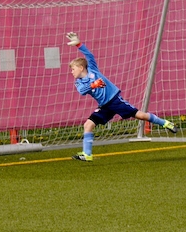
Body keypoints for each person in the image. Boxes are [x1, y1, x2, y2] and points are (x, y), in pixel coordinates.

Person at [66, 32, 175, 162]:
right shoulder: (78, 82)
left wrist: (79, 44)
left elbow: (89, 56)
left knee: (140, 115)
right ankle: (87, 154)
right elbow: (82, 91)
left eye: (73, 69)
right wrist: (93, 85)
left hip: (115, 101)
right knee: (88, 125)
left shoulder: (93, 70)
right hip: (104, 106)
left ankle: (166, 123)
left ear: (81, 67)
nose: (71, 72)